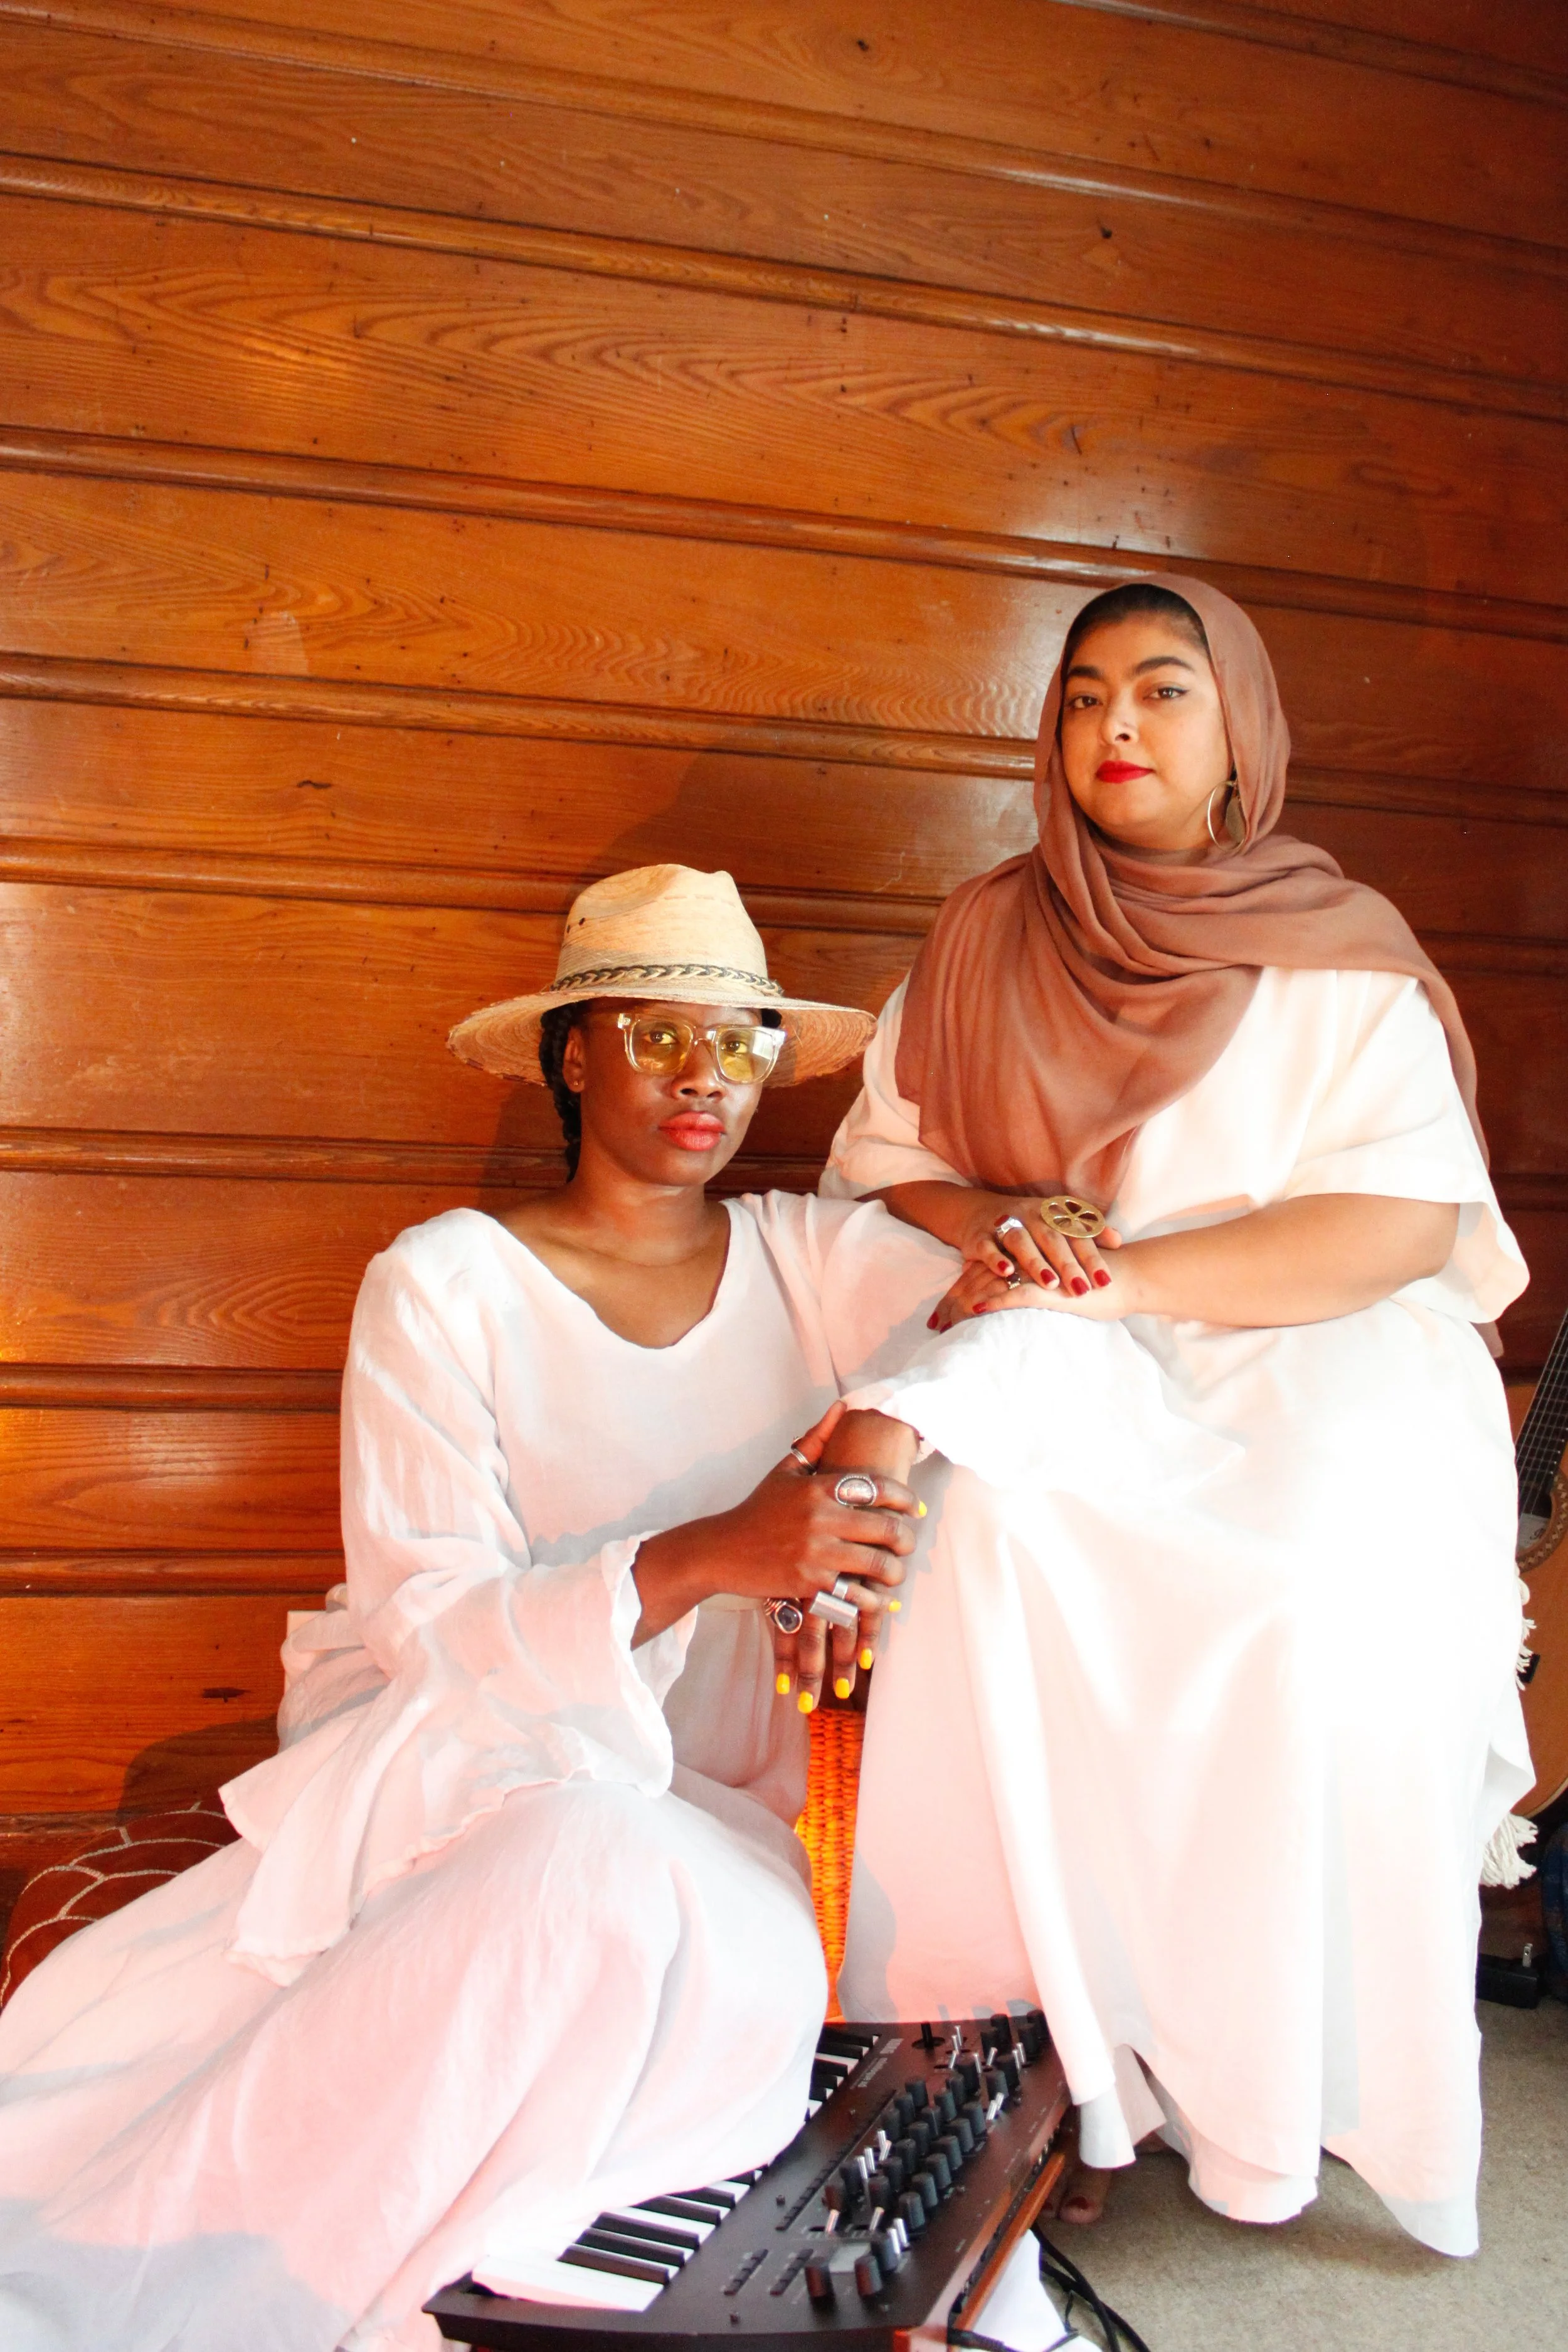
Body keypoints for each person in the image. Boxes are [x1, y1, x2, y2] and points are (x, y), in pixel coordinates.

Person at [0, 864, 963, 2352]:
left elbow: (1009, 1304)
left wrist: (883, 1426)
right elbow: (430, 1625)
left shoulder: (810, 1260)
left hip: (720, 1830)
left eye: (740, 1042)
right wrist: (709, 1555)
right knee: (575, 1860)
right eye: (659, 1036)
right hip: (457, 1775)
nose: (705, 1078)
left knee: (636, 1890)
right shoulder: (444, 1282)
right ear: (572, 1056)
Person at [818, 577, 1534, 2256]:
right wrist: (1012, 1220)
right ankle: (1014, 2060)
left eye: (1159, 690)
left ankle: (1266, 2095)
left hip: (1303, 1340)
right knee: (981, 1539)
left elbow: (1397, 1227)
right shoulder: (986, 933)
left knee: (1293, 1597)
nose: (1114, 726)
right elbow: (888, 1159)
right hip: (1073, 1344)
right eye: (1081, 696)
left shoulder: (1335, 950)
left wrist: (1121, 1276)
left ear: (1239, 734)